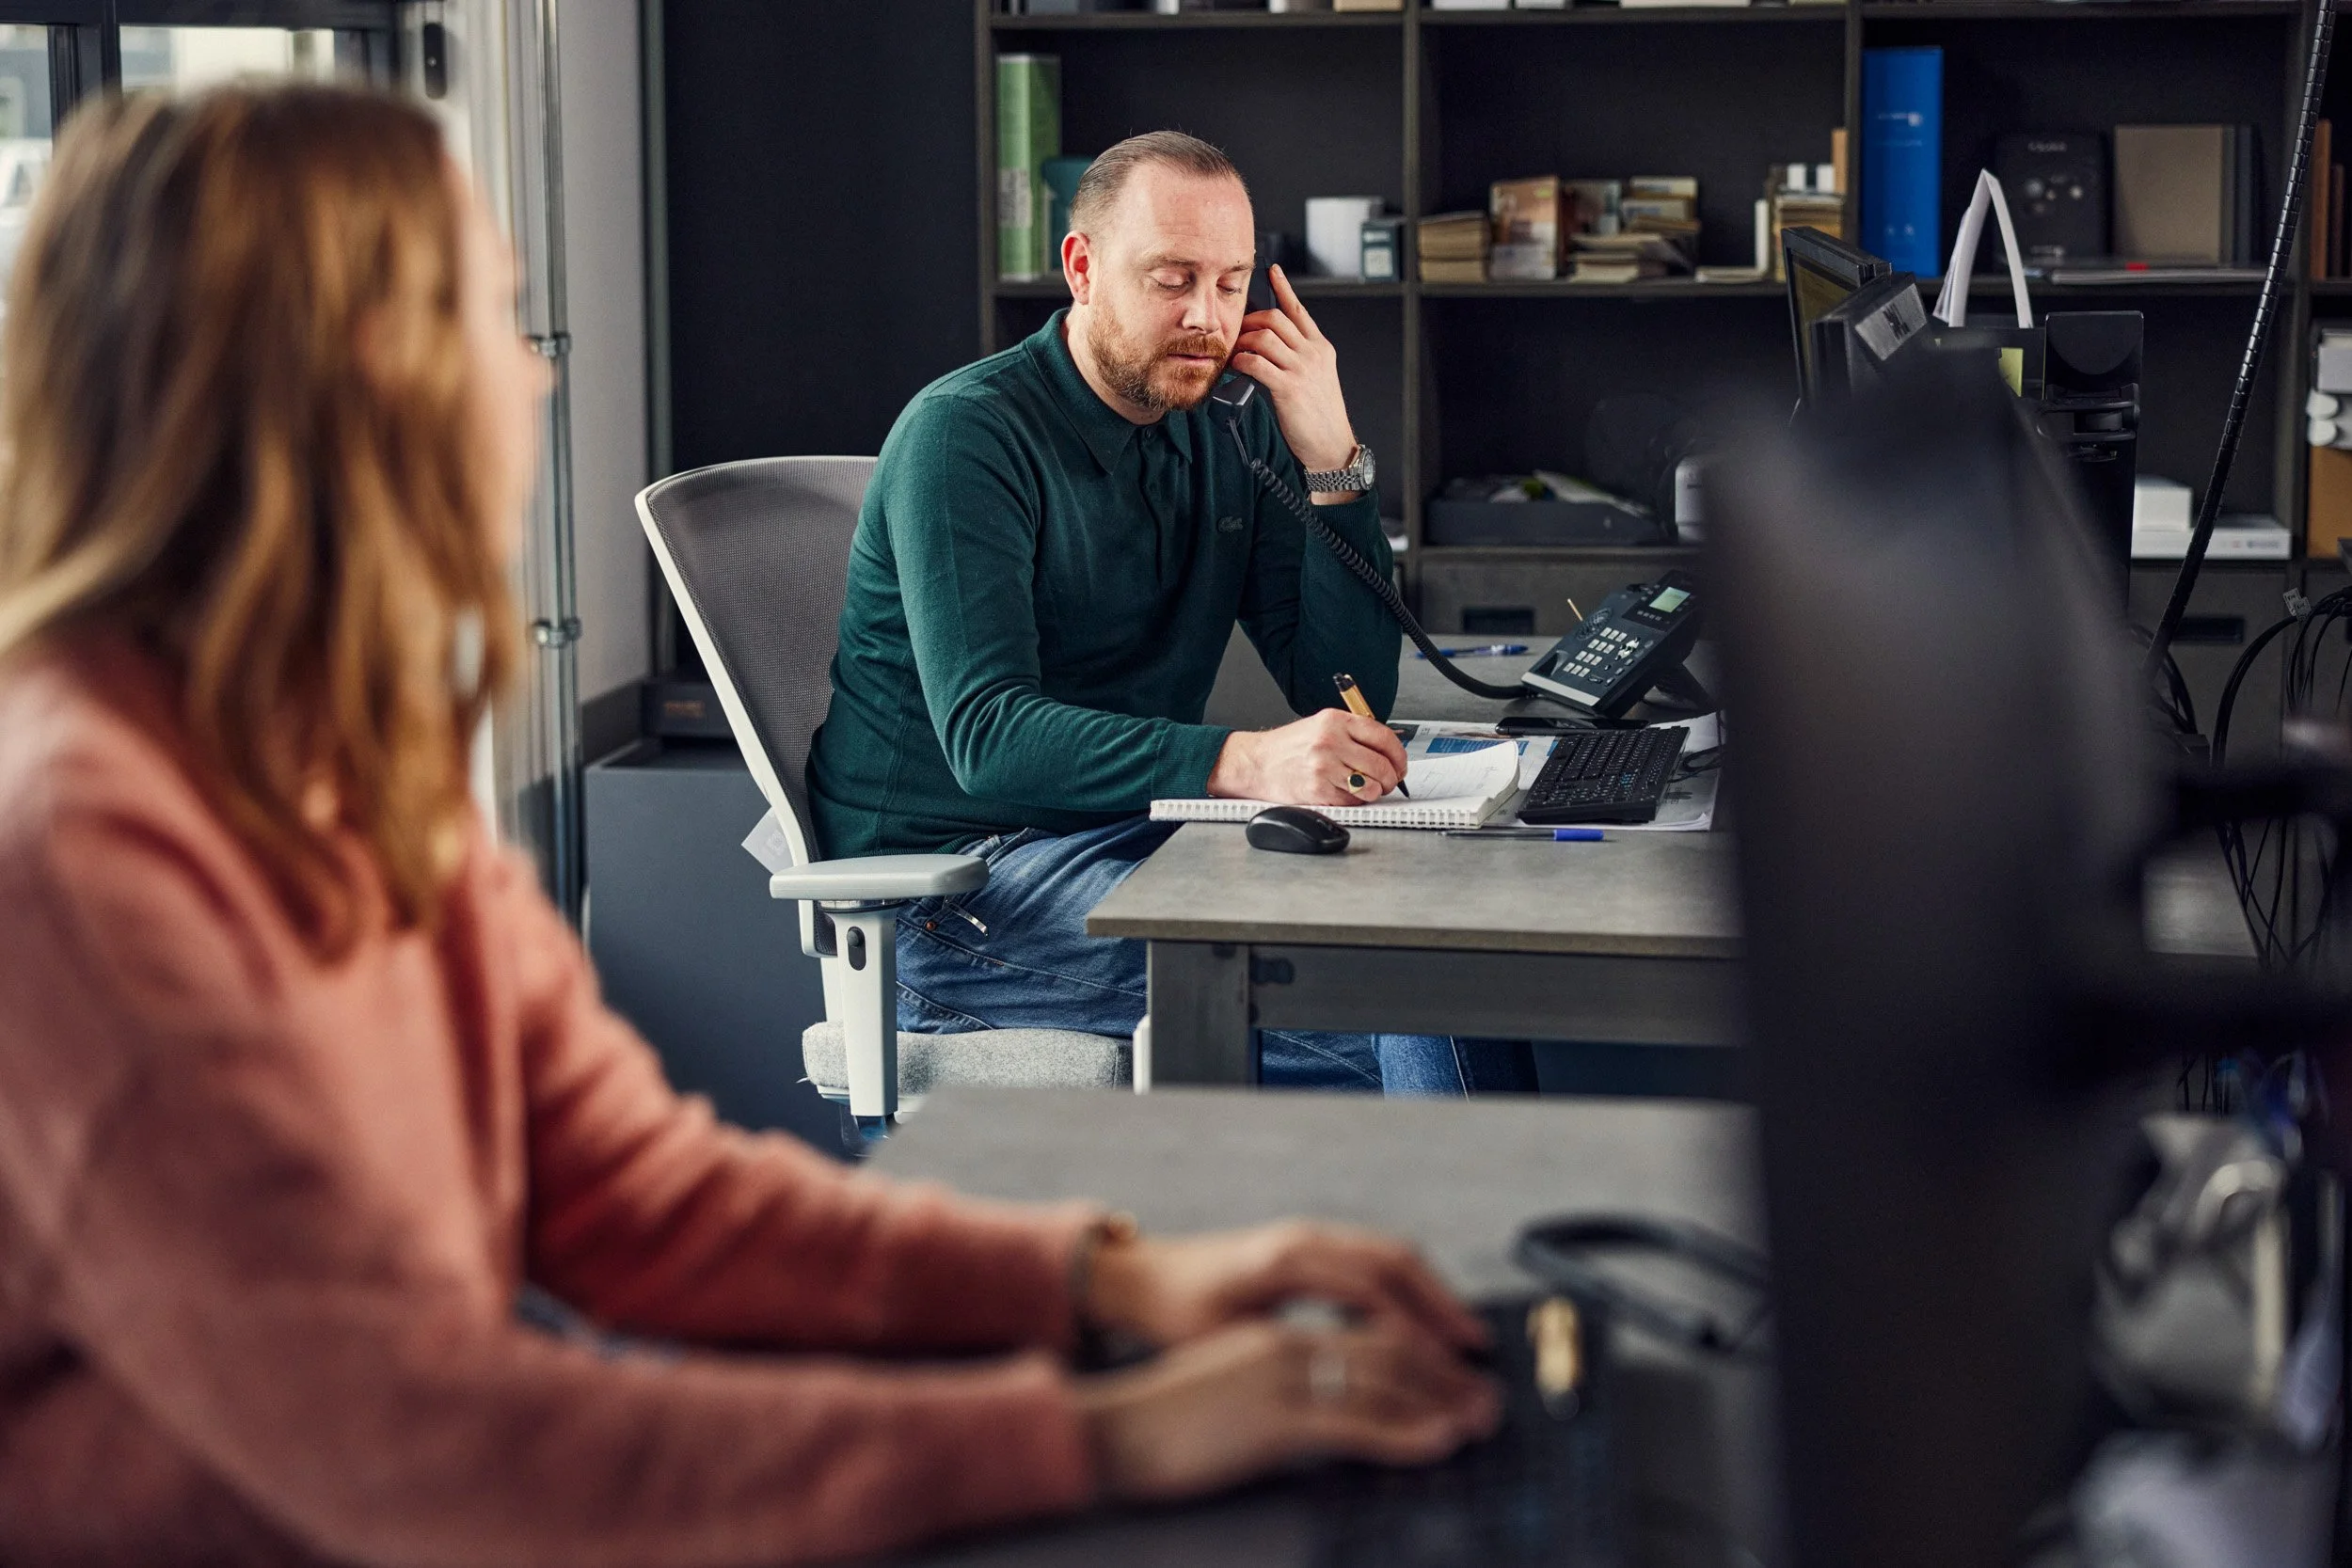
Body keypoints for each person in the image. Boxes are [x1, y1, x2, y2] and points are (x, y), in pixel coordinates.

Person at [0, 87, 1499, 1566]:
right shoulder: (85, 850)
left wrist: (1119, 1282)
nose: (531, 380)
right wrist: (1106, 1432)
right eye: (482, 319)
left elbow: (645, 1200)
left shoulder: (350, 770)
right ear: (310, 379)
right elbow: (428, 1438)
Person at [810, 132, 1486, 1093]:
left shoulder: (1222, 426)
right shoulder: (966, 435)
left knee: (1433, 938)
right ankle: (1463, 1222)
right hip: (952, 888)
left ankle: (1474, 1221)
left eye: (1230, 282)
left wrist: (1335, 466)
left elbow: (1346, 690)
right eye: (1173, 279)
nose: (1207, 319)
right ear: (1082, 269)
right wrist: (1246, 760)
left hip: (1125, 830)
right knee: (1393, 993)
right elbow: (989, 736)